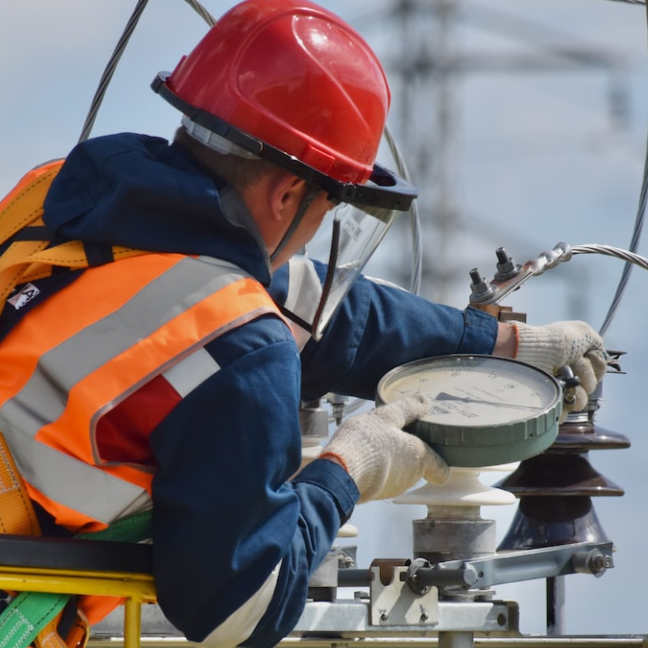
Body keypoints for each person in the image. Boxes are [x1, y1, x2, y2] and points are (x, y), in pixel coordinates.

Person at [0, 0, 607, 647]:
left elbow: (323, 311)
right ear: (288, 195)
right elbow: (241, 609)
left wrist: (499, 343)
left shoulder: (66, 198)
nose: (318, 229)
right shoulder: (233, 341)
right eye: (330, 205)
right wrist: (348, 470)